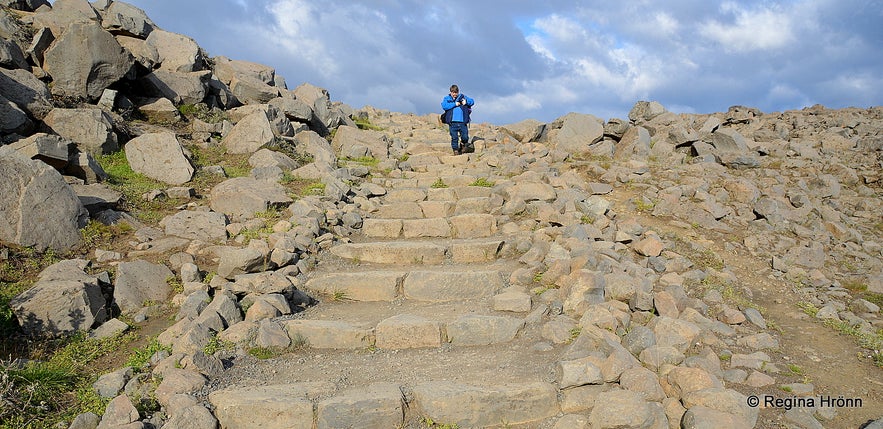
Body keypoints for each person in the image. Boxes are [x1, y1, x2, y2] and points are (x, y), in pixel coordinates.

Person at [441, 84, 475, 154]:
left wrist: (466, 102)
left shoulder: (463, 97)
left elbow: (472, 101)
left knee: (465, 137)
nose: (454, 94)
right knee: (454, 137)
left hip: (463, 122)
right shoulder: (447, 98)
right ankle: (455, 150)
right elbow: (444, 106)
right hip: (452, 122)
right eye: (453, 92)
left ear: (458, 92)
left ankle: (462, 145)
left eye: (456, 92)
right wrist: (455, 104)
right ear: (450, 92)